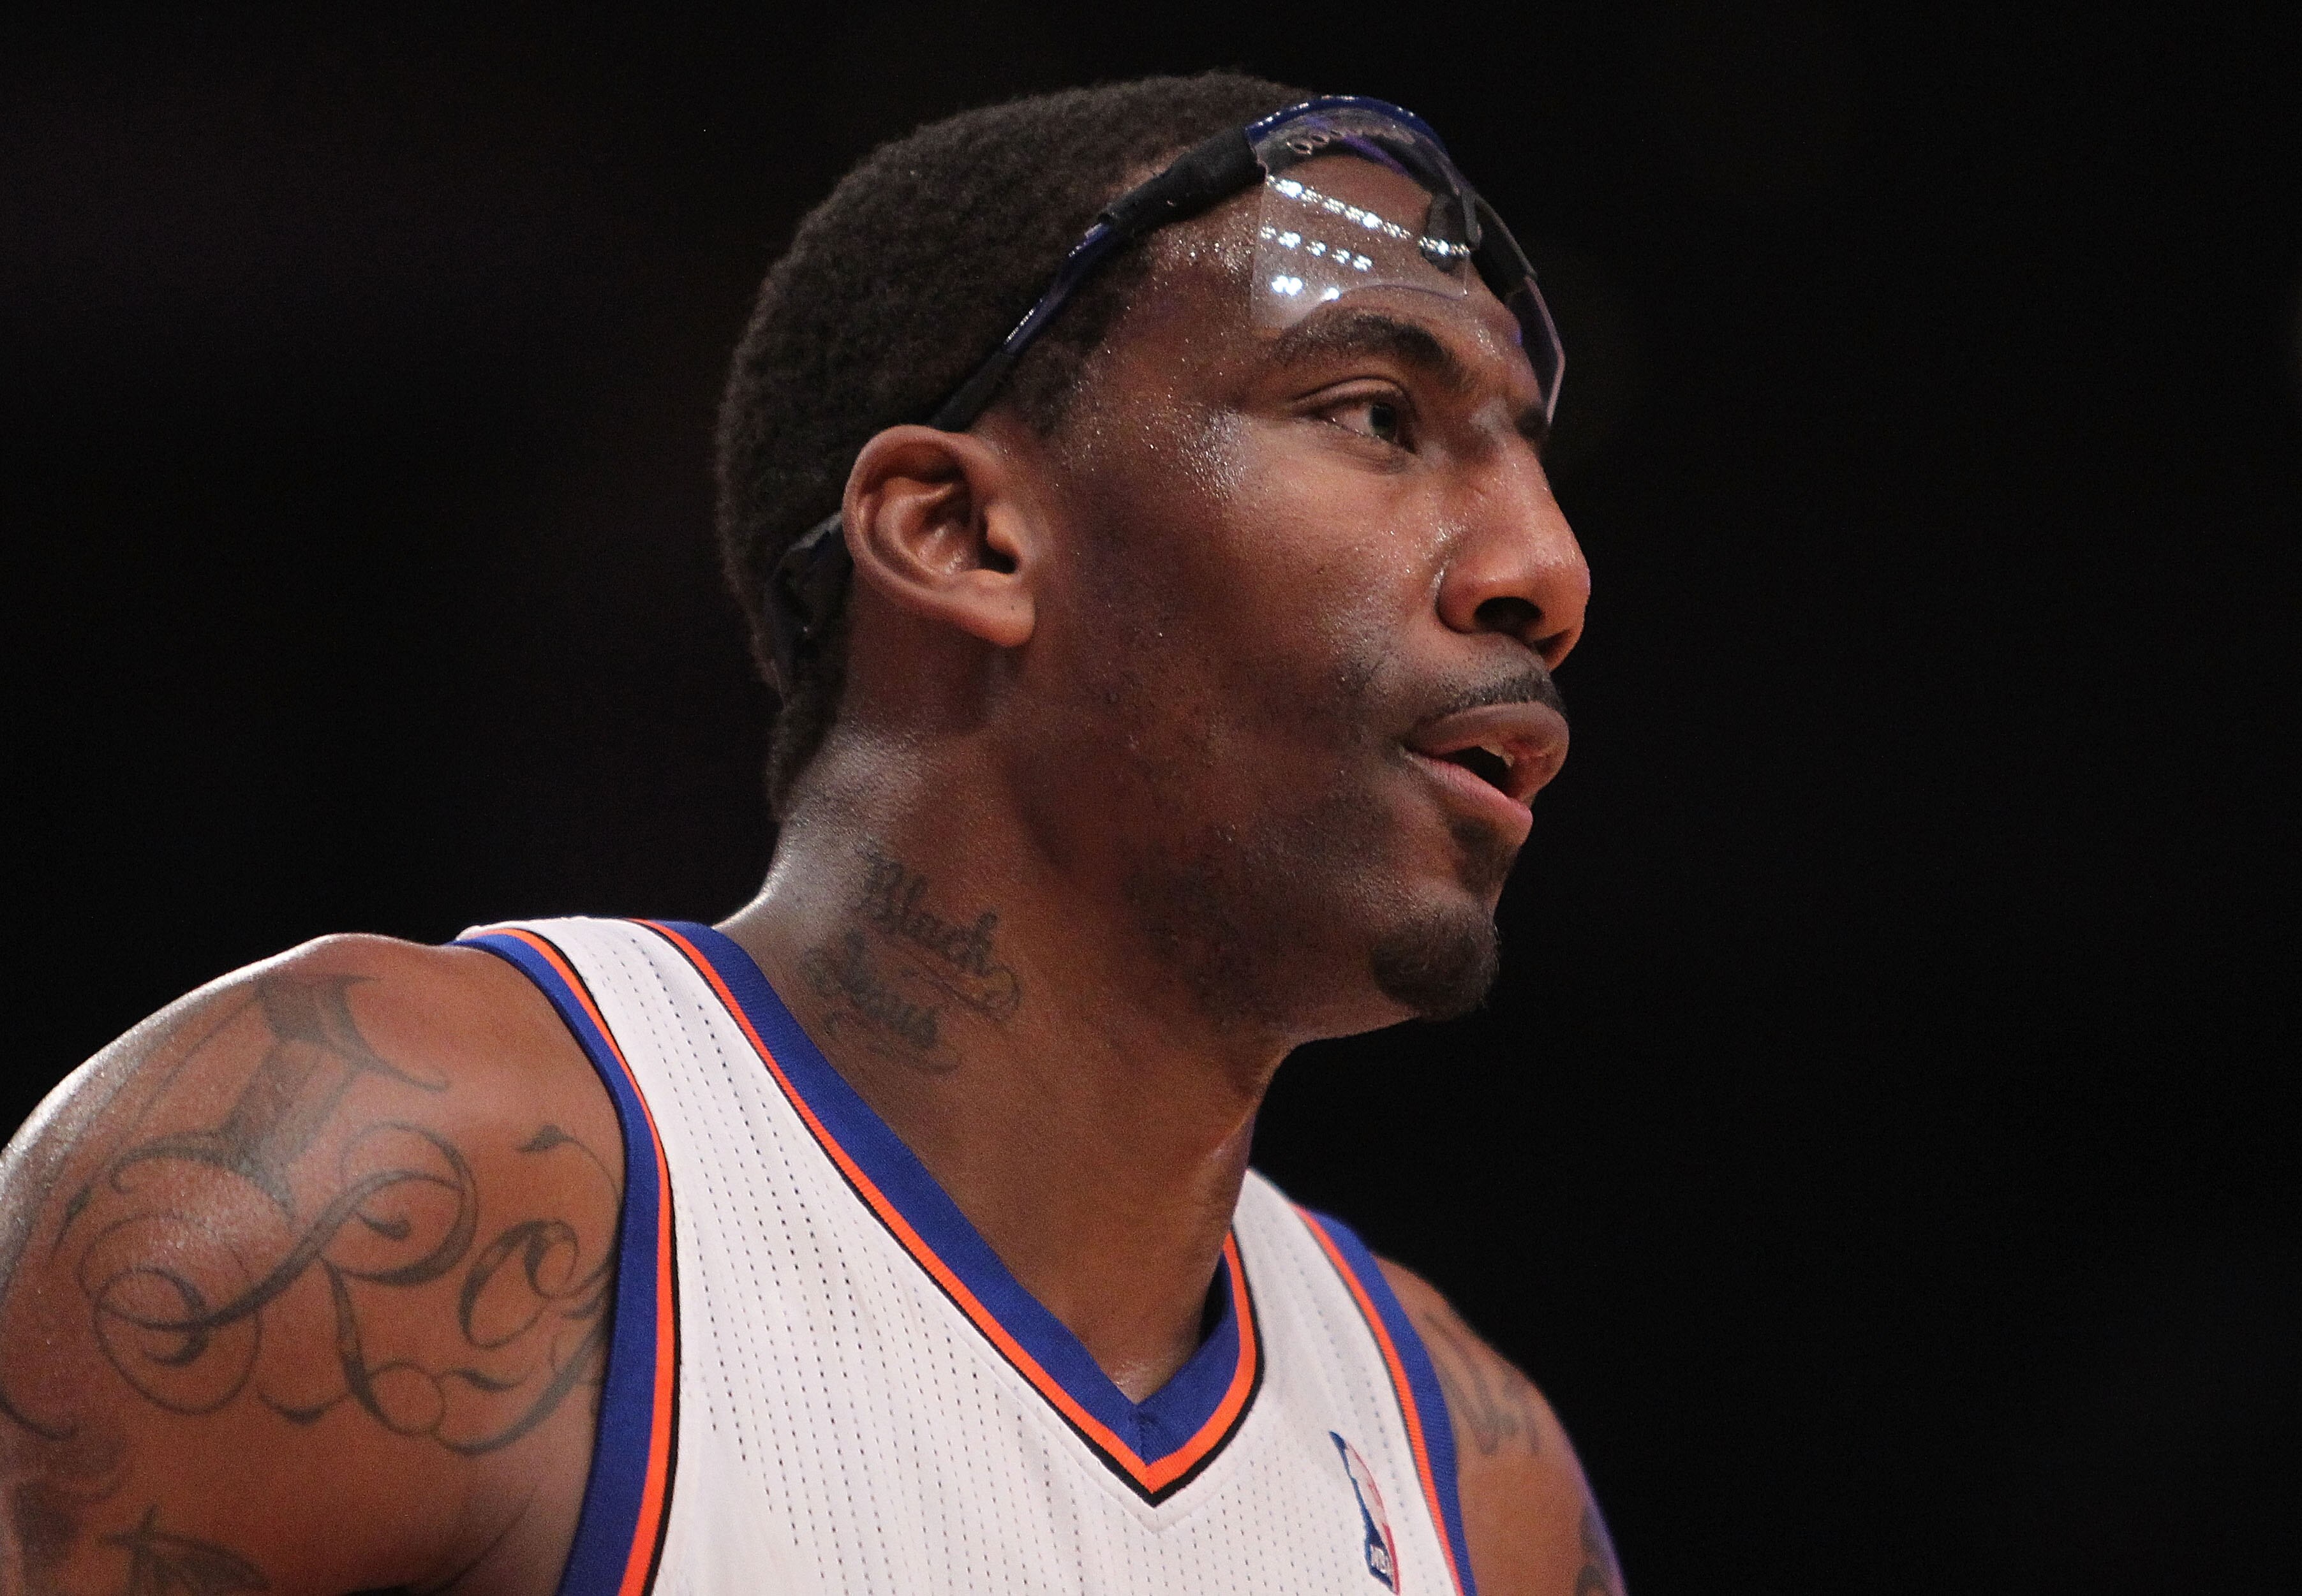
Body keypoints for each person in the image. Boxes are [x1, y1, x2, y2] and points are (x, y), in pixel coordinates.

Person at [0, 73, 1614, 1596]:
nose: (1547, 568)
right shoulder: (369, 1179)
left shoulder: (1476, 1480)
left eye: (1531, 460)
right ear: (963, 533)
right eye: (1378, 416)